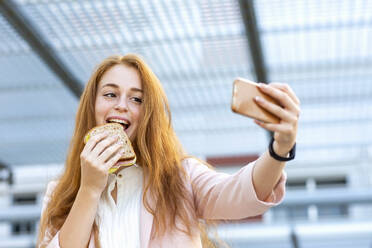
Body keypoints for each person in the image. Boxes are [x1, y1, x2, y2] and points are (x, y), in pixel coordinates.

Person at [37, 54, 300, 248]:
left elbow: (240, 193)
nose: (122, 106)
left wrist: (281, 148)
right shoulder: (59, 193)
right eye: (109, 94)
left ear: (148, 113)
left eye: (136, 98)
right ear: (91, 106)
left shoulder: (180, 177)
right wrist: (90, 189)